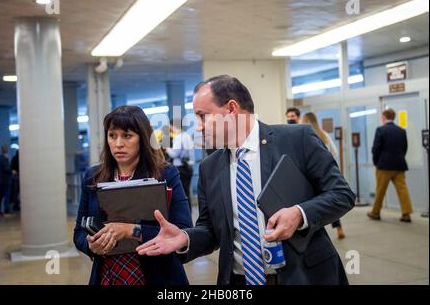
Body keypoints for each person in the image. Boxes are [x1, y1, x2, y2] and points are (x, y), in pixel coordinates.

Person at [137, 75, 355, 285]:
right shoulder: (209, 168)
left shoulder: (297, 140)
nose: (199, 126)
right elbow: (211, 229)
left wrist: (299, 213)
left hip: (305, 275)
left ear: (231, 109)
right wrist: (186, 238)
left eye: (203, 116)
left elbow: (341, 194)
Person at [73, 105, 192, 285]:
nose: (118, 143)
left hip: (156, 274)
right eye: (112, 135)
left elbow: (182, 230)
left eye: (127, 136)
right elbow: (79, 233)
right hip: (108, 273)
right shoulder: (93, 176)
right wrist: (90, 245)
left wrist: (131, 230)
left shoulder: (165, 174)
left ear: (142, 139)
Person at [301, 112, 345, 239]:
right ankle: (339, 228)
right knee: (329, 202)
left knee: (311, 205)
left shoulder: (303, 136)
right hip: (324, 175)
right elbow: (335, 153)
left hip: (308, 176)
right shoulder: (323, 134)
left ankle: (314, 233)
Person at [367, 108, 412, 222]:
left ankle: (375, 212)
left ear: (384, 117)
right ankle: (406, 214)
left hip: (384, 166)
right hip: (399, 165)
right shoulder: (402, 131)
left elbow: (376, 149)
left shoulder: (381, 130)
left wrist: (376, 162)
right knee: (403, 190)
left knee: (380, 190)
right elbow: (404, 148)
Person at [166, 120, 195, 210]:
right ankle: (188, 212)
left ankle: (185, 212)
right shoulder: (187, 136)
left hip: (180, 168)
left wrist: (167, 148)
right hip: (188, 167)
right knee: (187, 192)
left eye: (171, 127)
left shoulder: (179, 137)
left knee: (182, 194)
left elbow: (174, 154)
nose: (170, 129)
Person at [0, 146, 12, 217]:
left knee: (0, 196)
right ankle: (6, 212)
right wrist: (12, 171)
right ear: (6, 150)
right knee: (7, 196)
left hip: (0, 180)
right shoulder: (5, 159)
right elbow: (6, 169)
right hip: (6, 180)